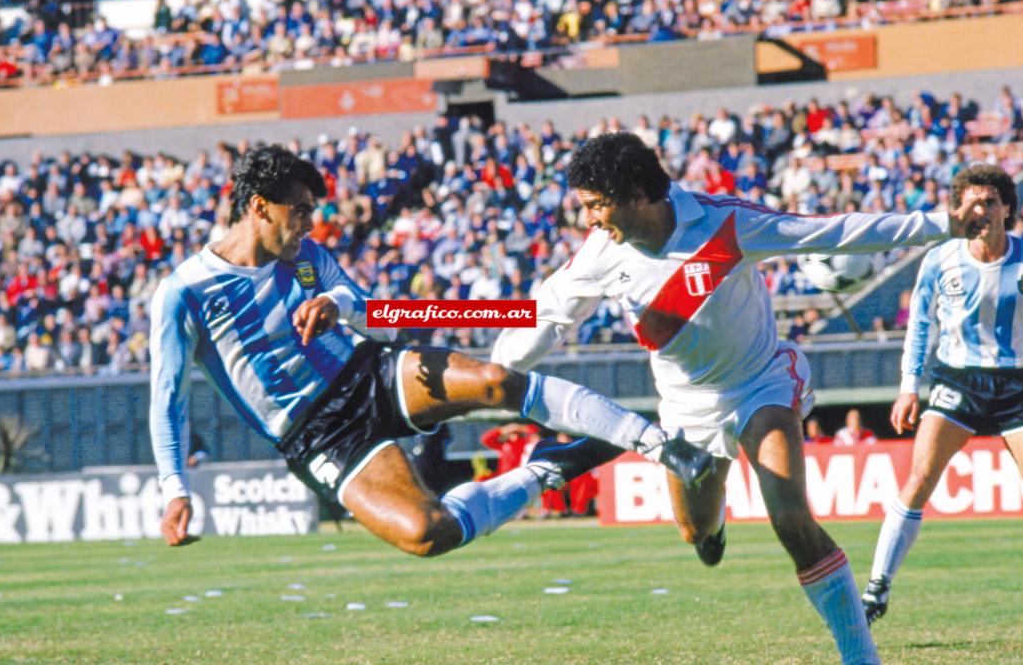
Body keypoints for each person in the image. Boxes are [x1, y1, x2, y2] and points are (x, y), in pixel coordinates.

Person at [492, 132, 982, 665]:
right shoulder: (600, 253)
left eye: (595, 204)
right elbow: (542, 315)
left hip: (761, 383)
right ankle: (713, 525)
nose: (588, 219)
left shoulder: (725, 222)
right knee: (694, 531)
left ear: (635, 193)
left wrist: (944, 223)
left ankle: (860, 658)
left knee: (791, 519)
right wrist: (492, 373)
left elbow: (831, 232)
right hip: (683, 409)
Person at [149, 145, 711, 557]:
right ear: (259, 206)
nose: (309, 223)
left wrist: (338, 306)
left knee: (496, 379)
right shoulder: (185, 293)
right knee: (427, 534)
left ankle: (654, 442)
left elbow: (377, 317)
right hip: (316, 433)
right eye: (299, 210)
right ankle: (547, 469)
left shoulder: (302, 256)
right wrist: (176, 489)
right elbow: (166, 400)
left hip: (367, 373)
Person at [861, 164, 1023, 639]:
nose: (981, 211)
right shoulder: (939, 260)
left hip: (1018, 384)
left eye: (990, 202)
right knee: (917, 480)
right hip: (957, 381)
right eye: (971, 202)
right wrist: (907, 385)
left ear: (1007, 209)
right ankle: (877, 588)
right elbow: (919, 325)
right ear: (959, 210)